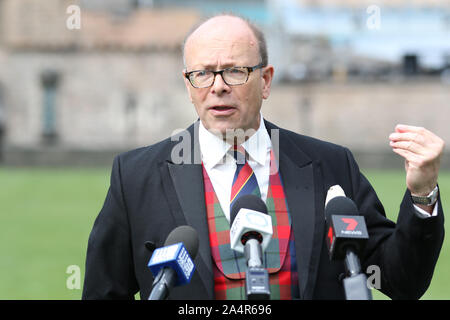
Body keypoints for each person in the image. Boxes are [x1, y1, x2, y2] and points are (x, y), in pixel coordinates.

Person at [82, 14, 445, 300]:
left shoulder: (332, 166)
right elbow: (103, 292)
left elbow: (402, 282)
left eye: (235, 70)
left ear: (266, 80)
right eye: (203, 73)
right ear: (188, 85)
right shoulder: (135, 178)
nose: (218, 85)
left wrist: (423, 192)